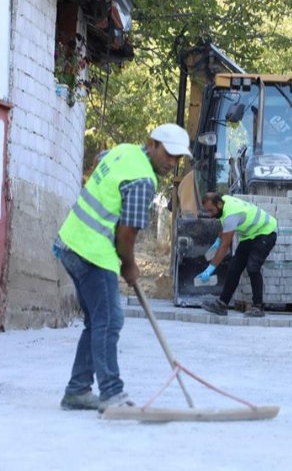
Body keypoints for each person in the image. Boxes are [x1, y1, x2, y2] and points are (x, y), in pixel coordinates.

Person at [53, 123, 192, 412]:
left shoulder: (124, 151)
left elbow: (98, 159)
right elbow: (126, 235)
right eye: (168, 154)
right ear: (152, 144)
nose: (172, 163)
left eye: (178, 158)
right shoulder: (142, 180)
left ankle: (77, 391)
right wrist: (129, 266)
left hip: (70, 242)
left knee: (97, 321)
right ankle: (112, 394)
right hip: (91, 252)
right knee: (109, 321)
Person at [196, 193, 278, 317]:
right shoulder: (224, 202)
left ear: (219, 204)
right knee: (234, 267)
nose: (210, 214)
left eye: (211, 210)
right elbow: (226, 226)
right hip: (250, 235)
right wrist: (218, 240)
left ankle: (258, 307)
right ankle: (222, 304)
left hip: (266, 231)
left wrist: (210, 268)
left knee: (253, 267)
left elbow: (225, 247)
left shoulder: (231, 214)